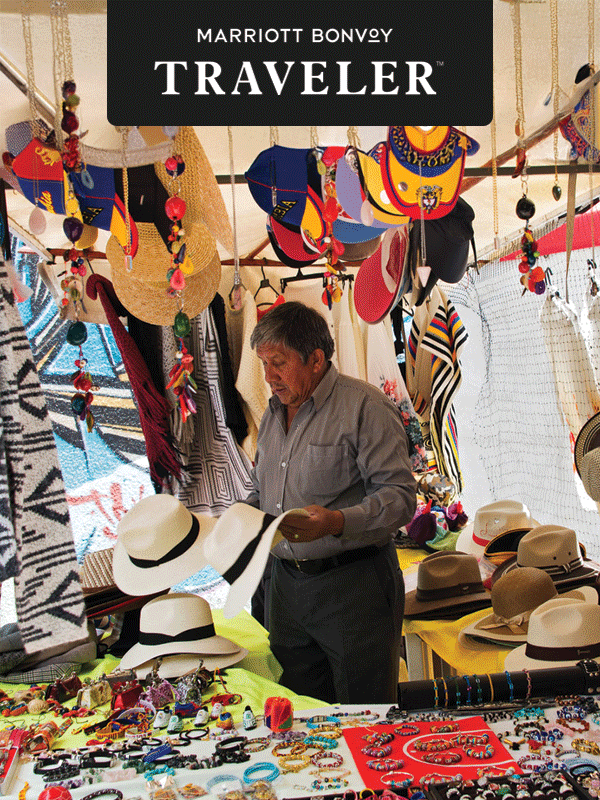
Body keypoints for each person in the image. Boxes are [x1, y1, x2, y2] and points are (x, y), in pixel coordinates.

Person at [245, 301, 417, 704]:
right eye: (264, 364)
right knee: (302, 717)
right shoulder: (273, 415)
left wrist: (336, 521)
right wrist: (242, 518)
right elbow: (262, 490)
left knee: (367, 713)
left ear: (317, 359)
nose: (269, 376)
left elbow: (400, 497)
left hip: (353, 587)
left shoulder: (365, 407)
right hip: (286, 588)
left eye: (279, 363)